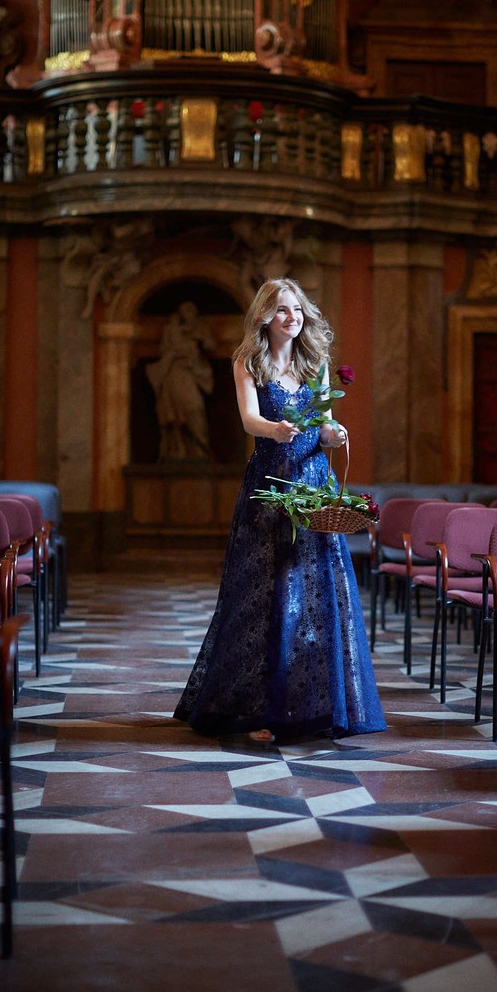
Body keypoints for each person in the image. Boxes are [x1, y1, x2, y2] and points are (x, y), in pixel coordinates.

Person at [174, 278, 386, 743]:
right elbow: (248, 418)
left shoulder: (316, 365)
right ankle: (257, 706)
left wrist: (336, 435)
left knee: (315, 593)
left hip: (313, 488)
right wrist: (274, 430)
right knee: (263, 595)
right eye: (283, 310)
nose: (293, 318)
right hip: (269, 487)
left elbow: (326, 427)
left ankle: (311, 708)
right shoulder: (248, 361)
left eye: (298, 310)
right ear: (265, 317)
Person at [146, 301, 215, 460]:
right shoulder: (171, 330)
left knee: (196, 408)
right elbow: (163, 350)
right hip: (175, 373)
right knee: (176, 415)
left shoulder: (200, 329)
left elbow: (211, 346)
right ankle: (177, 451)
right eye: (185, 311)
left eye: (191, 311)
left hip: (194, 373)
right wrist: (176, 352)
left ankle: (201, 449)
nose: (188, 314)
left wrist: (201, 339)